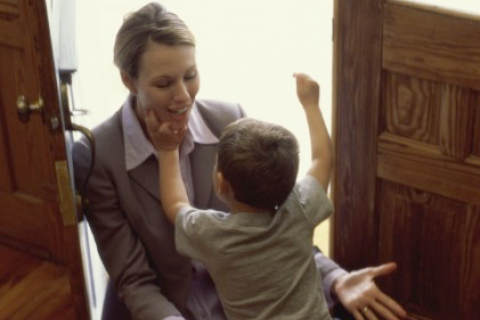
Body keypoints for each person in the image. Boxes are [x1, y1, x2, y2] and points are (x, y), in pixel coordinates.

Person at [72, 3, 407, 320]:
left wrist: (334, 277)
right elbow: (133, 280)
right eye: (164, 83)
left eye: (190, 75)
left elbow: (274, 226)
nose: (184, 95)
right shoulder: (97, 155)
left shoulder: (230, 121)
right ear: (129, 81)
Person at [146, 73, 333, 320]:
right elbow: (323, 160)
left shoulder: (213, 235)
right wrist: (311, 105)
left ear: (222, 184)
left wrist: (167, 148)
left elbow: (175, 205)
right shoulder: (300, 208)